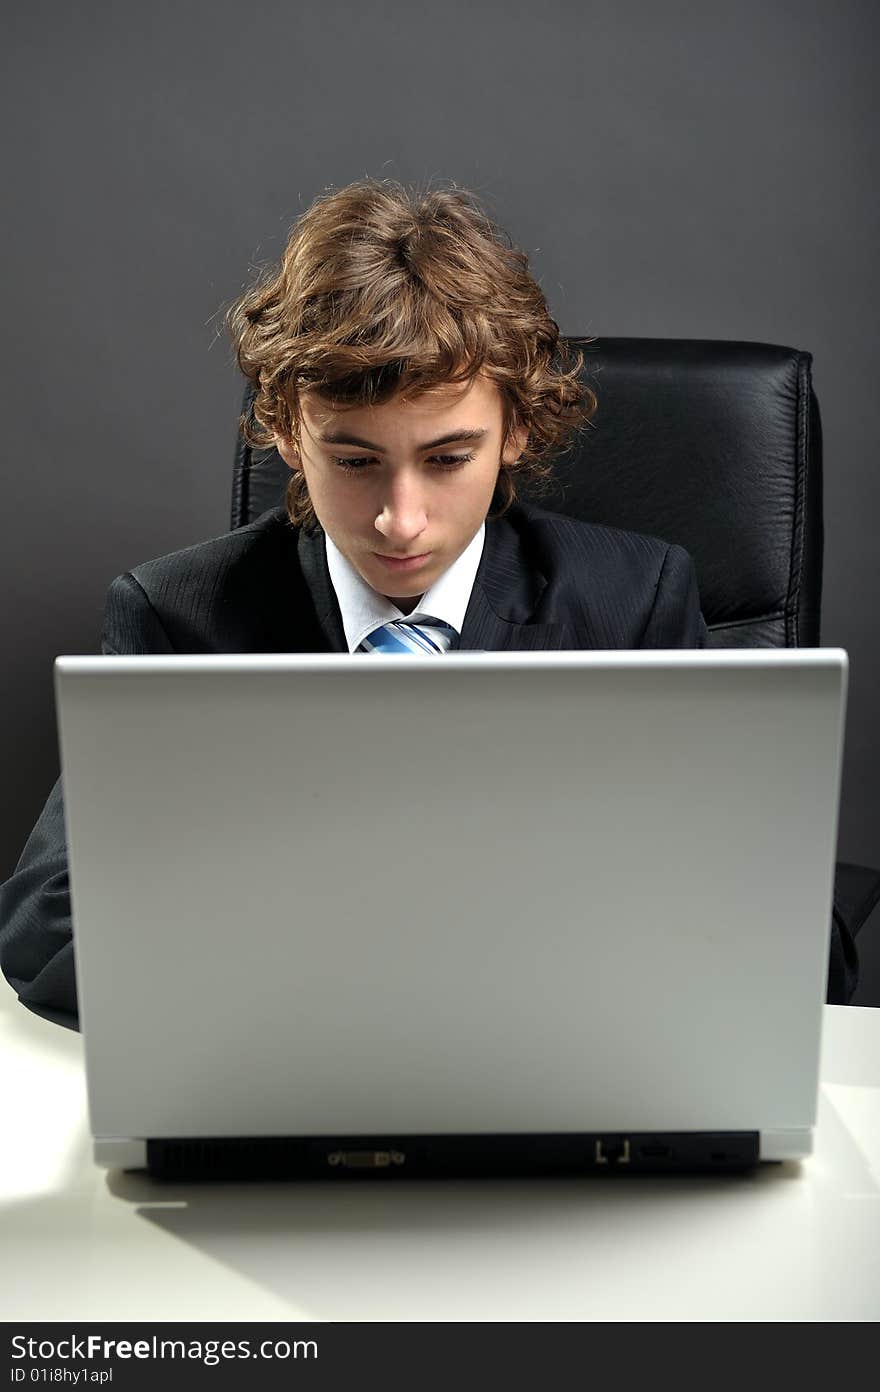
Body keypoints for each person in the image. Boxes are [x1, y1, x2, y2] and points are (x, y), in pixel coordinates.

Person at [0, 178, 856, 1029]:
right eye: (356, 460)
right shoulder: (178, 617)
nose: (399, 521)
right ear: (289, 432)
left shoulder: (635, 600)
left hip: (556, 1057)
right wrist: (355, 980)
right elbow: (43, 926)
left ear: (516, 429)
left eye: (447, 460)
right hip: (296, 1064)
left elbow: (800, 939)